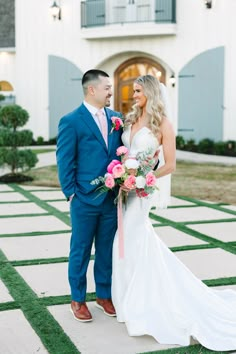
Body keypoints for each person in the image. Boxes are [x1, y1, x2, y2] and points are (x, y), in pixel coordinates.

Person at [112, 74, 236, 351]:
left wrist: (143, 178)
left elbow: (170, 165)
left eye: (138, 91)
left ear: (151, 93)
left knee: (130, 238)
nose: (133, 96)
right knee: (126, 242)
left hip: (142, 192)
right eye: (133, 91)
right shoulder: (131, 120)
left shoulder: (162, 124)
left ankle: (140, 303)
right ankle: (127, 300)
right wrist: (122, 176)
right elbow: (124, 152)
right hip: (123, 189)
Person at [56, 69, 123, 322]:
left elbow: (120, 152)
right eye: (107, 87)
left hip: (111, 198)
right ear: (92, 89)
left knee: (106, 250)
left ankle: (103, 295)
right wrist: (71, 194)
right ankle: (78, 299)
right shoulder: (71, 120)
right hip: (83, 199)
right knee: (81, 249)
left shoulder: (117, 118)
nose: (111, 92)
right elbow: (65, 161)